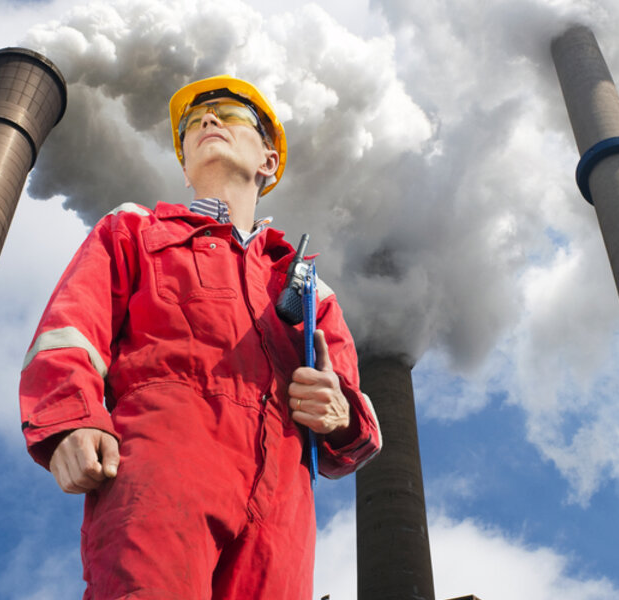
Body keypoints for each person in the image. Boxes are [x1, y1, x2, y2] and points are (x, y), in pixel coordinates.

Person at [19, 75, 381, 599]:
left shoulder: (305, 287)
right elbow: (69, 331)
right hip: (163, 464)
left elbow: (351, 423)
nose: (207, 121)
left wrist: (341, 414)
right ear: (185, 168)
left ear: (268, 162)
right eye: (192, 124)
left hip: (284, 496)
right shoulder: (135, 229)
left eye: (229, 114)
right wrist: (71, 422)